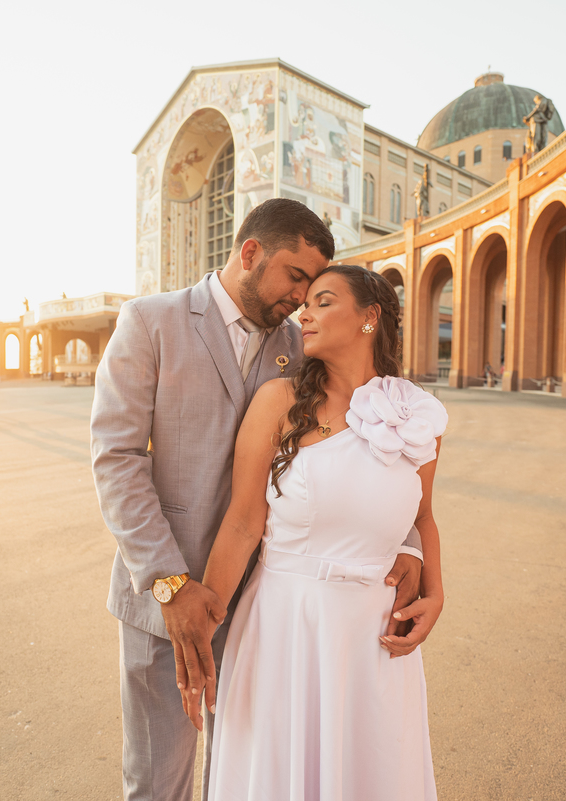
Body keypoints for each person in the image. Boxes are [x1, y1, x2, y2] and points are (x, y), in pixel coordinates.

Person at [91, 199, 426, 801]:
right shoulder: (150, 322)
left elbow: (365, 452)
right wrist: (170, 584)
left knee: (245, 776)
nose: (302, 298)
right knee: (156, 780)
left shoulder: (303, 345)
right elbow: (116, 461)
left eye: (315, 287)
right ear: (251, 253)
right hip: (169, 600)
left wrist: (406, 543)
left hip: (266, 608)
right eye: (297, 277)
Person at [182, 265, 448, 800]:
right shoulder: (278, 401)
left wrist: (436, 592)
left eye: (324, 301)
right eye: (306, 302)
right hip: (287, 626)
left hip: (373, 637)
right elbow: (241, 523)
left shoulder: (414, 413)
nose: (305, 312)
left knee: (368, 774)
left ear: (370, 317)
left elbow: (421, 517)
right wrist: (202, 628)